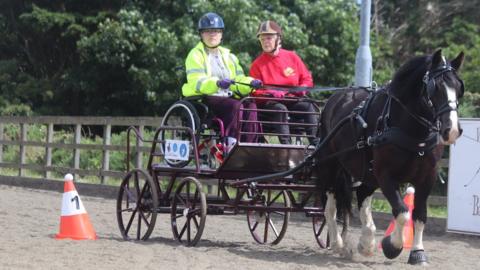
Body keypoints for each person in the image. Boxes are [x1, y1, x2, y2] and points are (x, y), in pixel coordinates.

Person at [182, 12, 262, 150]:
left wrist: (251, 83)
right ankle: (230, 145)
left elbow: (238, 79)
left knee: (250, 104)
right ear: (201, 34)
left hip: (227, 96)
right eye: (208, 31)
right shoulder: (194, 55)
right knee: (235, 106)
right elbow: (198, 82)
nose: (212, 34)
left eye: (216, 31)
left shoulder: (229, 56)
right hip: (205, 98)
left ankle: (250, 146)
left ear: (221, 34)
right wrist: (217, 83)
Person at [250, 20, 318, 145]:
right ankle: (286, 146)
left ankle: (316, 144)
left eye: (269, 38)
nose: (265, 42)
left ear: (278, 39)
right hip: (271, 104)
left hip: (292, 99)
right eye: (262, 39)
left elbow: (307, 79)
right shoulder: (256, 65)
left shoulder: (292, 57)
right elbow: (255, 92)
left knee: (309, 106)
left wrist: (302, 88)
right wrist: (271, 93)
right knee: (280, 109)